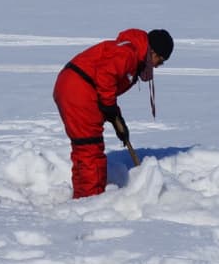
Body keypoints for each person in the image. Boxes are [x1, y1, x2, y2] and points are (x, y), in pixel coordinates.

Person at [53, 28, 173, 198]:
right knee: (90, 149)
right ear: (152, 52)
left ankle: (82, 197)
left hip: (72, 86)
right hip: (79, 89)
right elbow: (105, 75)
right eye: (159, 60)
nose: (157, 66)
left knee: (83, 147)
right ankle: (90, 200)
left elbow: (106, 85)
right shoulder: (129, 53)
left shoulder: (130, 50)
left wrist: (117, 119)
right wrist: (109, 106)